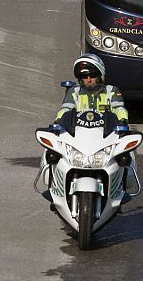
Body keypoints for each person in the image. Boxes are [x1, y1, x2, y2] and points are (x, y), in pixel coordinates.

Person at [55, 53, 134, 204]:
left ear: (100, 75)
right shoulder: (74, 91)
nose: (88, 79)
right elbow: (65, 109)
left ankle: (121, 187)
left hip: (105, 135)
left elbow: (119, 108)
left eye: (92, 75)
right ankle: (55, 185)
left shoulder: (112, 91)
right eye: (84, 77)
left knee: (126, 153)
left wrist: (123, 121)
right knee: (51, 151)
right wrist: (58, 120)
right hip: (78, 135)